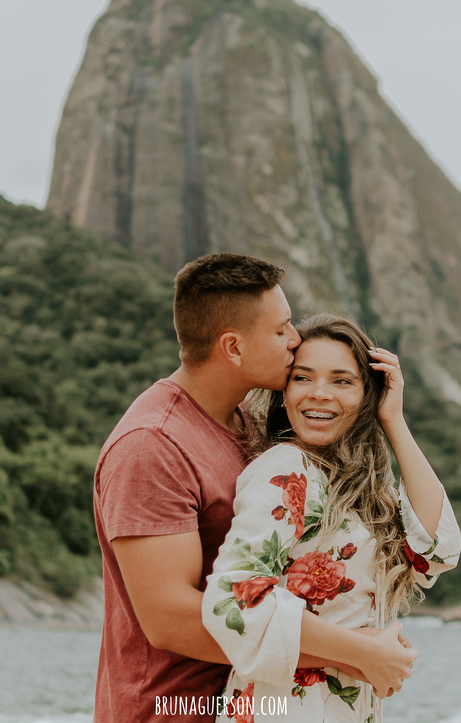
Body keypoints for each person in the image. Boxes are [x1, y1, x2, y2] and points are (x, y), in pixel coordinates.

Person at [93, 255, 403, 723]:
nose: (295, 340)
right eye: (281, 330)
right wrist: (349, 652)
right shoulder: (151, 445)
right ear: (233, 347)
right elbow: (169, 619)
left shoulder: (255, 428)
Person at [202, 314, 461, 722]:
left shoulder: (362, 489)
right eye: (303, 378)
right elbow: (233, 596)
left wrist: (393, 420)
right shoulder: (287, 470)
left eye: (342, 381)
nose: (319, 394)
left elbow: (436, 552)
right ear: (283, 394)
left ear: (366, 396)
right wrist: (364, 652)